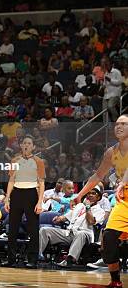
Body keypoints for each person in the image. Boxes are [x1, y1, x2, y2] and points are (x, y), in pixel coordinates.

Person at [71, 115, 128, 288]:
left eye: (124, 124)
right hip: (124, 200)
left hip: (122, 188)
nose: (119, 126)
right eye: (117, 124)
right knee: (109, 237)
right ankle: (115, 280)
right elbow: (97, 176)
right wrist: (80, 194)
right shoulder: (111, 152)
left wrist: (123, 182)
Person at [3, 135, 45, 268]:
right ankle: (11, 259)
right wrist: (7, 198)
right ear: (21, 145)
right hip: (16, 193)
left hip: (32, 194)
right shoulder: (15, 160)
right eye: (24, 143)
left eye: (29, 143)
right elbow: (11, 180)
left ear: (33, 146)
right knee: (13, 228)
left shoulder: (38, 161)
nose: (26, 145)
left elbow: (42, 183)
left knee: (33, 229)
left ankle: (32, 260)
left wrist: (39, 202)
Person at [39, 186, 105, 268]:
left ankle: (70, 259)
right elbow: (67, 216)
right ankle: (38, 255)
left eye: (93, 193)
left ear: (98, 197)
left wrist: (88, 207)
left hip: (85, 235)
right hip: (70, 233)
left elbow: (91, 221)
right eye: (89, 193)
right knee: (44, 230)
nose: (90, 195)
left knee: (80, 234)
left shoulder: (100, 211)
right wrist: (59, 218)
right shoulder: (80, 206)